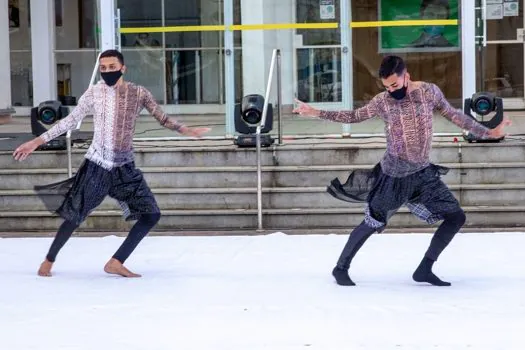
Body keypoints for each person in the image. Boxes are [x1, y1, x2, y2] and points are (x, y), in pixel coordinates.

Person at [293, 55, 510, 287]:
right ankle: (340, 268)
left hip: (422, 173)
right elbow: (355, 116)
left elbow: (454, 115)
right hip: (393, 175)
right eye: (386, 87)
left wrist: (488, 132)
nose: (390, 90)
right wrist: (317, 112)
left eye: (394, 85)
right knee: (373, 222)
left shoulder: (428, 92)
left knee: (456, 217)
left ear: (407, 75)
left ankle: (425, 269)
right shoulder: (382, 102)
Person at [13, 49, 210, 278]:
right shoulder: (93, 93)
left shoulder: (139, 93)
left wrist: (187, 130)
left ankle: (116, 262)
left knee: (151, 215)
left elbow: (162, 118)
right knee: (75, 214)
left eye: (112, 67)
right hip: (98, 165)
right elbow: (70, 121)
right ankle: (49, 260)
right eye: (103, 68)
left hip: (125, 168)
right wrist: (37, 141)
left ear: (122, 68)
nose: (107, 71)